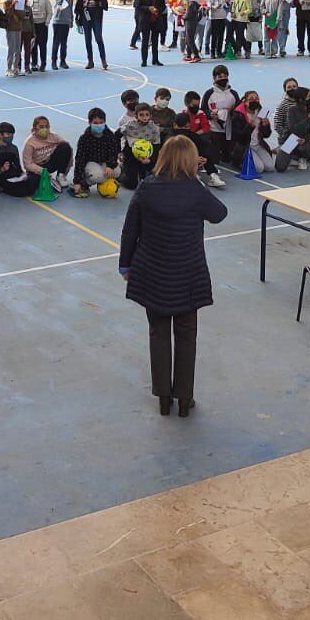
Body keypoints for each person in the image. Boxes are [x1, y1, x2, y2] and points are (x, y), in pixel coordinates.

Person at [119, 134, 229, 418]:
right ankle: (184, 398)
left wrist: (125, 266)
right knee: (186, 336)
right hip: (187, 274)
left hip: (152, 272)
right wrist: (198, 183)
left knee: (158, 334)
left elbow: (130, 230)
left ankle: (163, 398)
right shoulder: (195, 190)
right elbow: (219, 214)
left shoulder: (146, 187)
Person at [73, 108, 121, 198]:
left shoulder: (110, 135)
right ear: (89, 123)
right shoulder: (84, 138)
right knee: (98, 176)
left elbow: (113, 152)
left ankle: (103, 182)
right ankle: (85, 183)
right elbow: (79, 159)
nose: (99, 125)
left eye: (101, 122)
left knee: (117, 172)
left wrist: (110, 166)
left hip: (104, 161)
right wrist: (77, 181)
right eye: (95, 123)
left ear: (105, 122)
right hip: (91, 162)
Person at [23, 115, 74, 192]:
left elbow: (68, 150)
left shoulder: (54, 136)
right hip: (37, 166)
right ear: (34, 128)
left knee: (65, 146)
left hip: (50, 163)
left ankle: (60, 176)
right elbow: (27, 164)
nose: (45, 129)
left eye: (47, 126)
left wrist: (65, 172)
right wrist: (42, 171)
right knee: (33, 184)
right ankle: (46, 179)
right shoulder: (29, 143)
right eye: (41, 127)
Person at [273, 80, 310, 171]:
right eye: (309, 96)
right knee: (280, 167)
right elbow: (293, 129)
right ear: (301, 99)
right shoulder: (291, 110)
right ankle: (282, 150)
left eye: (294, 86)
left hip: (301, 140)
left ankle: (299, 156)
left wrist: (305, 139)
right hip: (289, 139)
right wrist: (308, 119)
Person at [119, 102, 161, 190]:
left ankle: (141, 172)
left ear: (150, 116)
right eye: (141, 115)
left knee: (152, 183)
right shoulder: (130, 125)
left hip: (147, 156)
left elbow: (156, 146)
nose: (144, 117)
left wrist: (150, 159)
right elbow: (116, 135)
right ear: (136, 116)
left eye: (147, 115)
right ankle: (120, 174)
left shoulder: (154, 128)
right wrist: (119, 152)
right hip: (131, 155)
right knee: (131, 185)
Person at [0, 122, 36, 197]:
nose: (11, 137)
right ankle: (0, 186)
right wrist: (1, 169)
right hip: (2, 177)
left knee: (33, 184)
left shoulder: (14, 148)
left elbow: (18, 166)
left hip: (14, 176)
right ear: (0, 135)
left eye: (12, 134)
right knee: (22, 192)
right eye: (8, 134)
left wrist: (23, 174)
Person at [76, 0, 110, 70]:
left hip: (96, 16)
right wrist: (77, 16)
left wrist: (98, 4)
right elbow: (79, 3)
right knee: (87, 39)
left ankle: (103, 60)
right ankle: (90, 61)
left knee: (98, 38)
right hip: (85, 17)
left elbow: (104, 3)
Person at [135, 0, 166, 67]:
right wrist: (148, 8)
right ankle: (144, 60)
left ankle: (155, 60)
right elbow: (137, 6)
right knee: (145, 41)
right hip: (145, 21)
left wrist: (157, 10)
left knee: (155, 41)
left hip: (156, 20)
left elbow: (163, 6)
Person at [27, 0, 53, 71]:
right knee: (33, 46)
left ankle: (43, 64)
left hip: (42, 25)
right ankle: (34, 64)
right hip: (32, 26)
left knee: (42, 45)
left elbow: (50, 12)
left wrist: (47, 22)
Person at [2, 0, 27, 77]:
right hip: (10, 29)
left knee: (18, 50)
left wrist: (18, 7)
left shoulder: (19, 3)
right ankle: (8, 69)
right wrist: (12, 5)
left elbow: (22, 15)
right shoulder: (6, 4)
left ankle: (15, 68)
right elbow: (7, 14)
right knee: (11, 49)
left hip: (18, 28)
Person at [52, 0, 75, 70]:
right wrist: (59, 7)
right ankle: (54, 61)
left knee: (64, 43)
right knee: (56, 42)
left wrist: (71, 20)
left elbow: (70, 9)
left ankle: (63, 61)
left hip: (66, 22)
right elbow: (58, 4)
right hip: (58, 21)